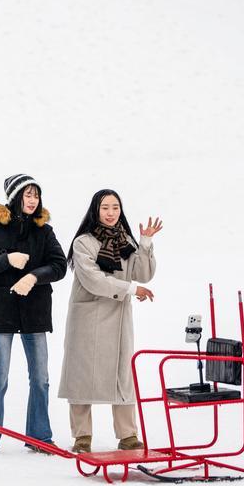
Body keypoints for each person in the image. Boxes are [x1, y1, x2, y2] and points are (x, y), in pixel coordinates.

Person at [57, 189, 162, 454]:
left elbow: (142, 273)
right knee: (82, 375)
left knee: (123, 374)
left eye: (115, 207)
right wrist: (130, 289)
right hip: (88, 319)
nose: (111, 213)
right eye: (105, 207)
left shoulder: (126, 240)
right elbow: (93, 280)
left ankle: (128, 435)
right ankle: (82, 436)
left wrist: (145, 243)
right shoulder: (83, 242)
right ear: (96, 210)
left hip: (118, 318)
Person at [0, 174, 67, 455]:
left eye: (36, 195)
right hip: (1, 311)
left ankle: (39, 436)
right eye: (27, 195)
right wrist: (6, 259)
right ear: (14, 198)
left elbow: (59, 266)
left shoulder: (44, 232)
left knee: (41, 378)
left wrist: (34, 276)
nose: (33, 200)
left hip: (35, 313)